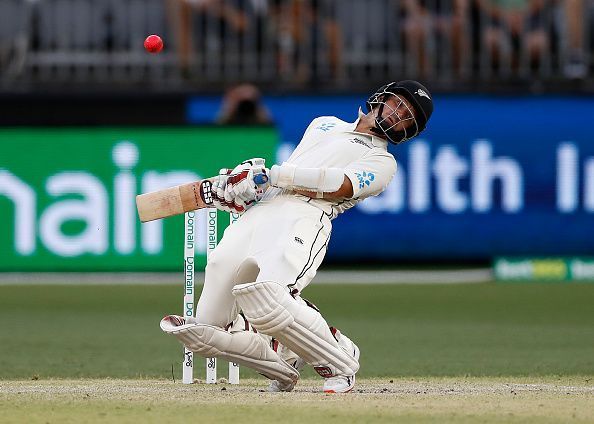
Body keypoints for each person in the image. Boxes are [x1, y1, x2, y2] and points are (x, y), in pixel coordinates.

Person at [160, 80, 434, 393]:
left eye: (409, 117)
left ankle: (342, 361)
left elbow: (339, 184)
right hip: (261, 214)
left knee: (268, 299)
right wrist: (247, 189)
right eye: (399, 105)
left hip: (305, 218)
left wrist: (276, 175)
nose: (400, 116)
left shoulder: (383, 163)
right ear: (382, 97)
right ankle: (283, 367)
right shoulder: (324, 124)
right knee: (205, 330)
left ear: (409, 131)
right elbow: (292, 171)